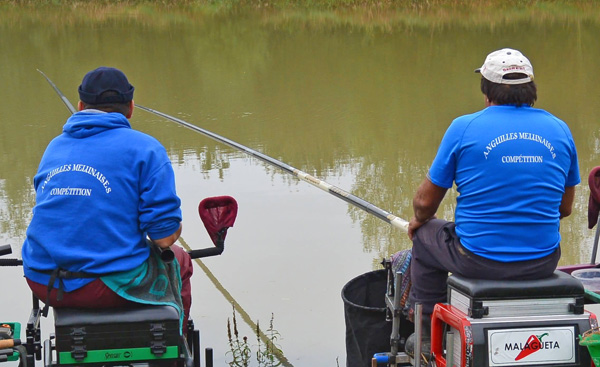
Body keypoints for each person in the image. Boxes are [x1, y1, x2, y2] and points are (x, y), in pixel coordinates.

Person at [405, 48, 580, 358]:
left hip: (476, 259)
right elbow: (564, 209)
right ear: (531, 89)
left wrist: (419, 222)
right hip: (543, 261)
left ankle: (426, 338)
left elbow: (424, 204)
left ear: (486, 91)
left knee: (424, 237)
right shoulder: (560, 129)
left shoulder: (464, 127)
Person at [21, 67, 193, 332]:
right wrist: (174, 228)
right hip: (103, 287)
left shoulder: (54, 146)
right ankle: (174, 347)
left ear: (80, 106)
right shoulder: (146, 148)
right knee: (179, 259)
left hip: (43, 281)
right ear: (131, 108)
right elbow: (163, 237)